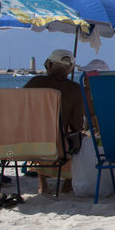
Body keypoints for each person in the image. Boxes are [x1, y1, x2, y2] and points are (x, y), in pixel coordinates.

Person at [23, 49, 87, 194]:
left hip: (27, 143)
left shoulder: (34, 82)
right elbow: (77, 125)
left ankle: (42, 183)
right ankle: (68, 183)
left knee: (40, 132)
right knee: (80, 137)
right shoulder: (74, 89)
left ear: (50, 65)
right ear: (70, 68)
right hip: (57, 146)